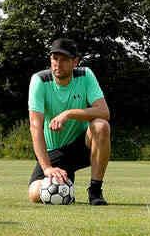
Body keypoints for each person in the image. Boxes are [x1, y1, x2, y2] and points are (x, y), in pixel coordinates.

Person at [27, 37, 111, 205]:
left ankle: (95, 191)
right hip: (53, 152)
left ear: (75, 62)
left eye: (64, 59)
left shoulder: (85, 75)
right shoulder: (40, 80)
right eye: (55, 58)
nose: (58, 64)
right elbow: (35, 127)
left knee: (101, 125)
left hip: (81, 147)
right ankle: (66, 186)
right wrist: (47, 168)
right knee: (35, 194)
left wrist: (68, 113)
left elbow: (104, 111)